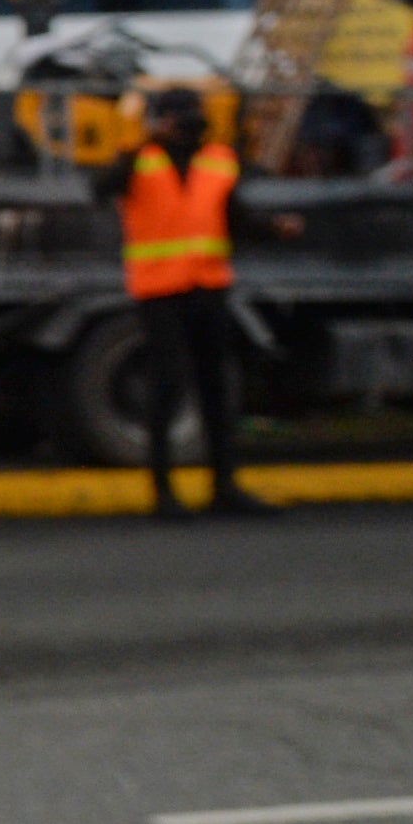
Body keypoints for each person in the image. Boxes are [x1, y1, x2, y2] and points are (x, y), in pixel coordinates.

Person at [121, 83, 271, 516]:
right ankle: (162, 491)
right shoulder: (140, 158)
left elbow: (233, 217)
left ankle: (224, 485)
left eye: (192, 114)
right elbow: (102, 188)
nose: (188, 123)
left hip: (208, 285)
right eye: (178, 116)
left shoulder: (219, 159)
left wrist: (275, 229)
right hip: (159, 291)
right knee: (167, 387)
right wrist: (140, 140)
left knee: (215, 387)